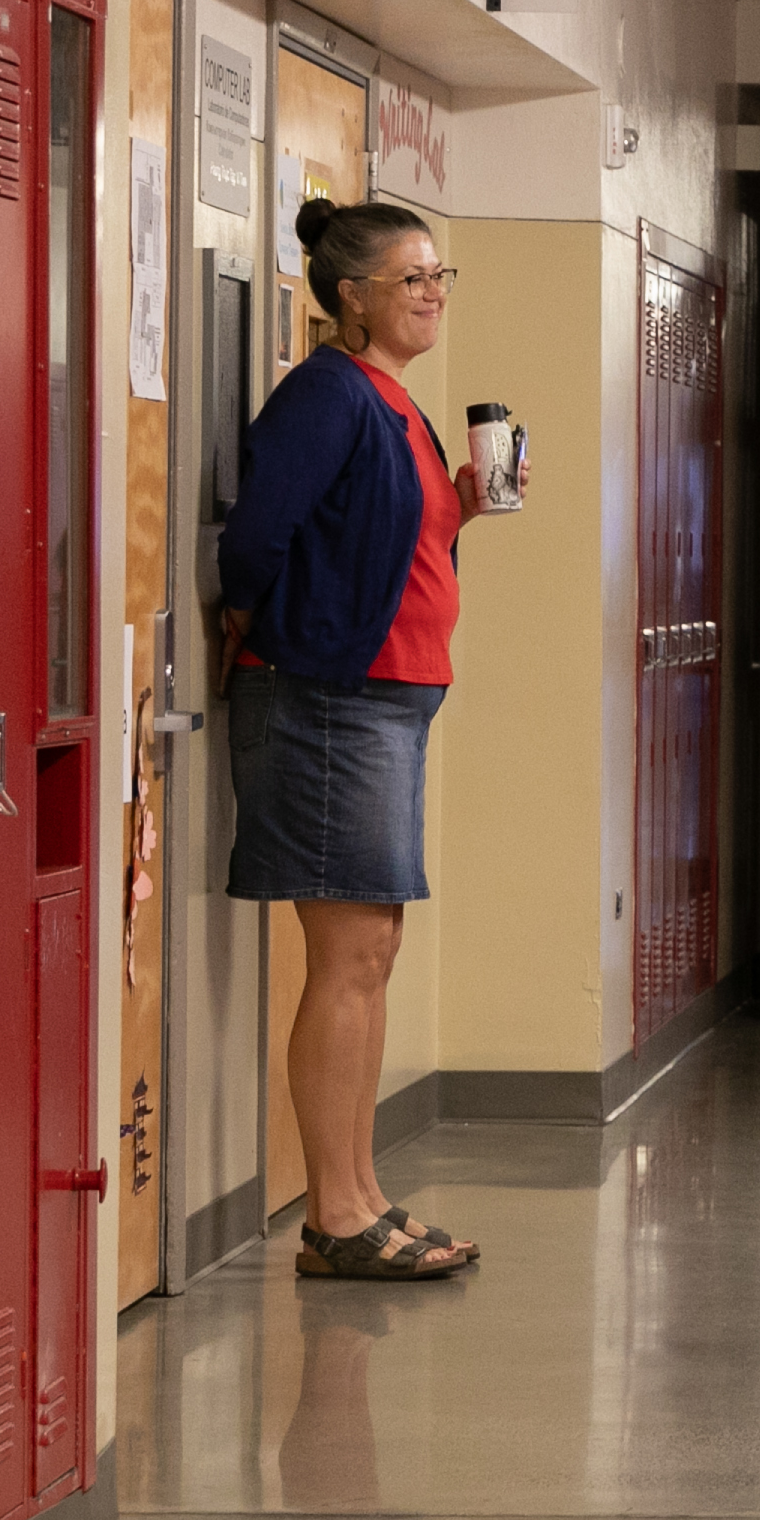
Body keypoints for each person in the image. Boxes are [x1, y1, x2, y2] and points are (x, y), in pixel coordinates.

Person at [220, 199, 501, 1282]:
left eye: (440, 276)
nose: (433, 293)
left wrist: (461, 507)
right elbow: (259, 533)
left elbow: (376, 538)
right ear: (352, 297)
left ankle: (363, 1191)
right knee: (346, 959)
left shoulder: (392, 406)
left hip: (386, 700)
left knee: (371, 955)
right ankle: (334, 1214)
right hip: (332, 699)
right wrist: (260, 619)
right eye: (411, 278)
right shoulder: (330, 394)